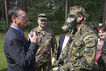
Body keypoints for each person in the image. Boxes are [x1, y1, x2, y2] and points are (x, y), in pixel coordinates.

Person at [56, 6, 97, 71]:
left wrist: (65, 68)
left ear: (80, 17)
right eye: (68, 16)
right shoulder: (74, 32)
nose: (68, 19)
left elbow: (88, 63)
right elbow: (66, 48)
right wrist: (59, 61)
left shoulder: (89, 35)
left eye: (71, 16)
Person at [4, 7, 39, 71]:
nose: (27, 19)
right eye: (24, 17)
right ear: (14, 18)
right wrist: (33, 44)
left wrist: (30, 43)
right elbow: (25, 62)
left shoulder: (17, 33)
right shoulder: (13, 38)